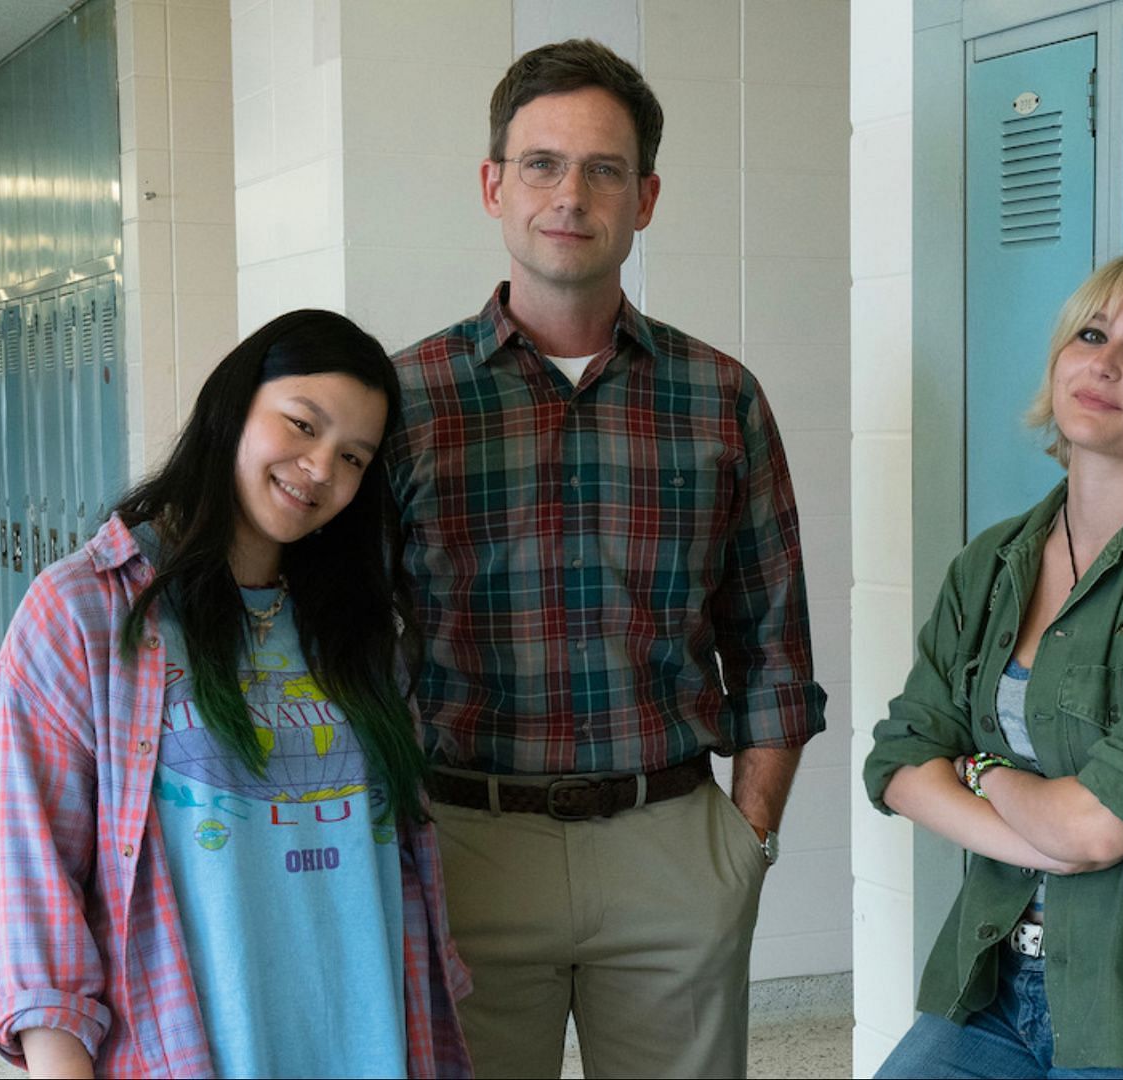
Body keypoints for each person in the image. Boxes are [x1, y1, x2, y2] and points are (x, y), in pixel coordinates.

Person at [382, 38, 827, 1079]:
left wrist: (742, 845)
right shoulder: (405, 401)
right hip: (465, 839)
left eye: (603, 169)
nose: (569, 194)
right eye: (541, 163)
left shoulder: (721, 397)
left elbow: (772, 643)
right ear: (494, 186)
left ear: (647, 197)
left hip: (669, 841)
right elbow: (349, 633)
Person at [0, 310, 471, 1078]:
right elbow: (33, 880)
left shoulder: (356, 625)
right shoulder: (85, 609)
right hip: (194, 1049)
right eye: (301, 425)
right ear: (232, 406)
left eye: (352, 457)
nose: (320, 469)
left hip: (373, 1039)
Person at [863, 252, 1123, 1078]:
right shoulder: (993, 564)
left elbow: (1096, 828)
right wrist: (1041, 836)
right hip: (994, 985)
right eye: (1091, 335)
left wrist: (981, 772)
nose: (1103, 362)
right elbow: (899, 760)